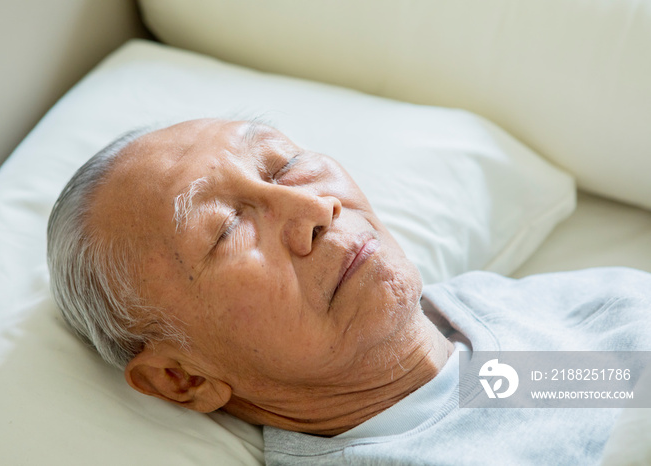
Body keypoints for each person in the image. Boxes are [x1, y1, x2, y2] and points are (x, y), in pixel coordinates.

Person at [47, 118, 651, 465]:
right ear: (184, 379)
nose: (315, 206)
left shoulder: (495, 337)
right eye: (227, 229)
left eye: (283, 165)